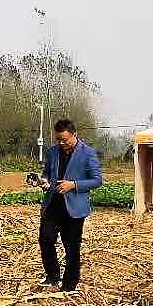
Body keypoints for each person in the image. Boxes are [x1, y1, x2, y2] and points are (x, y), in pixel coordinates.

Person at [38, 119, 103, 292]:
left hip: (74, 208)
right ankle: (52, 276)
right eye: (58, 139)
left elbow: (97, 180)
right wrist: (44, 181)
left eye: (64, 140)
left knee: (71, 247)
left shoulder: (88, 153)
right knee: (45, 240)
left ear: (74, 135)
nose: (61, 143)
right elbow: (47, 173)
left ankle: (69, 284)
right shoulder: (52, 152)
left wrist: (73, 184)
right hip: (52, 204)